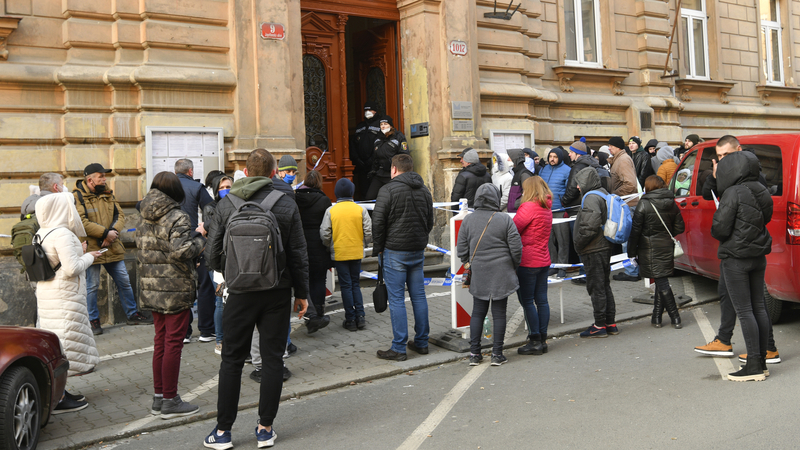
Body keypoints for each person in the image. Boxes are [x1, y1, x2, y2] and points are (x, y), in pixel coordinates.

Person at [203, 148, 309, 449]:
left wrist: (235, 271)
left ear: (245, 172)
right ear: (274, 173)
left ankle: (223, 433)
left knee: (232, 361)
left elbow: (212, 256)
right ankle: (265, 429)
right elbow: (299, 252)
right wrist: (301, 294)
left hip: (239, 294)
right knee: (273, 359)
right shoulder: (286, 203)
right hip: (277, 291)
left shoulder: (227, 204)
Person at [695, 135, 780, 365]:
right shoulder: (728, 175)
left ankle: (762, 353)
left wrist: (731, 221)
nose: (723, 161)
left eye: (727, 156)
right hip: (749, 246)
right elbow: (706, 194)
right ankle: (728, 340)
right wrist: (714, 177)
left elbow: (723, 226)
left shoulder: (749, 177)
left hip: (739, 246)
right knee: (734, 295)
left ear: (739, 150)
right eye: (719, 156)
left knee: (750, 306)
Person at [136, 172, 206, 418]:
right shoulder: (177, 215)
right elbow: (181, 251)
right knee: (173, 343)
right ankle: (170, 400)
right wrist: (201, 239)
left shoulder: (144, 213)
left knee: (161, 341)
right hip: (175, 288)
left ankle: (159, 398)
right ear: (177, 191)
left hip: (152, 286)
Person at [35, 192, 102, 414]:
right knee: (64, 344)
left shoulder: (42, 232)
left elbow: (56, 260)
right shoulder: (62, 233)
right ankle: (59, 398)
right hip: (64, 296)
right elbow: (72, 268)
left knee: (55, 343)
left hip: (48, 292)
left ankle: (58, 393)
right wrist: (90, 256)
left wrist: (79, 252)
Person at [710, 148, 773, 381]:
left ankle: (754, 365)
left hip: (736, 257)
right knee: (758, 308)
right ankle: (762, 362)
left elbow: (720, 228)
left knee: (745, 311)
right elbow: (765, 218)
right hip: (758, 255)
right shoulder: (762, 190)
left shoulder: (733, 192)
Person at [74, 163, 151, 335]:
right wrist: (104, 234)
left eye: (104, 176)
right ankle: (93, 320)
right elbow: (82, 223)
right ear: (90, 179)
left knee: (124, 281)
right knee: (92, 286)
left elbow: (120, 215)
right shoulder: (77, 197)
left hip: (112, 246)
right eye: (100, 176)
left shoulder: (108, 193)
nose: (104, 179)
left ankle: (132, 315)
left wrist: (113, 233)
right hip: (92, 250)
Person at [372, 154, 433, 361]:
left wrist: (378, 248)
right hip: (417, 250)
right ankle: (422, 342)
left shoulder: (387, 190)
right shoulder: (424, 190)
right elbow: (429, 220)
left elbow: (378, 223)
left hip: (394, 251)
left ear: (394, 169)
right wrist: (421, 240)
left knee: (397, 299)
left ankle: (399, 347)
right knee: (419, 296)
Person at [458, 184, 522, 366]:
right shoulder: (504, 219)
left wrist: (468, 261)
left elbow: (461, 249)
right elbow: (516, 248)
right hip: (502, 271)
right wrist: (513, 264)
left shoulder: (468, 220)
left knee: (478, 311)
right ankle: (497, 354)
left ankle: (474, 354)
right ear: (495, 198)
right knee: (499, 313)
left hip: (479, 271)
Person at [627, 175, 685, 329]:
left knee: (662, 282)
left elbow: (635, 232)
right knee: (660, 279)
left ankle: (675, 317)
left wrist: (631, 252)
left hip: (649, 248)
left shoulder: (644, 204)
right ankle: (656, 317)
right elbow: (680, 227)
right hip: (666, 246)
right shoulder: (671, 202)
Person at [321, 178, 372, 331]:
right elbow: (368, 231)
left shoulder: (331, 210)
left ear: (336, 194)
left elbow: (325, 233)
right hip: (356, 251)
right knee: (355, 283)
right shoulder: (360, 209)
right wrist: (364, 244)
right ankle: (361, 316)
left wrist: (329, 246)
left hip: (340, 252)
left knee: (345, 285)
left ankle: (350, 319)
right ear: (352, 192)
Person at [573, 167, 618, 338]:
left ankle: (599, 325)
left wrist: (579, 243)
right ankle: (610, 323)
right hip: (603, 246)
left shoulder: (591, 197)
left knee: (596, 287)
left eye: (579, 183)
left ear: (586, 182)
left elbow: (590, 226)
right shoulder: (601, 193)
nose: (577, 187)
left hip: (594, 248)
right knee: (604, 285)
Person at [174, 159, 216, 343]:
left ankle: (184, 333)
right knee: (204, 285)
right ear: (190, 171)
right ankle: (206, 331)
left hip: (174, 242)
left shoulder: (166, 187)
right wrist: (205, 228)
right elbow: (211, 210)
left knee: (181, 286)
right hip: (195, 241)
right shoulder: (197, 187)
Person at [513, 177, 552, 355]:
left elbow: (513, 229)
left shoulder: (528, 206)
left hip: (527, 261)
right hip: (543, 258)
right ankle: (542, 339)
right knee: (542, 300)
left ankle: (534, 339)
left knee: (527, 301)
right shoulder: (546, 206)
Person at [295, 170, 333, 334]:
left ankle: (310, 316)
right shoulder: (324, 200)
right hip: (318, 245)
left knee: (306, 280)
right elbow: (327, 225)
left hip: (301, 244)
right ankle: (318, 312)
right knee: (318, 280)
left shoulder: (295, 198)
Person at [199, 174, 233, 355]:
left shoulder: (236, 203)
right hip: (218, 260)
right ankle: (220, 340)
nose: (225, 190)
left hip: (233, 259)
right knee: (220, 300)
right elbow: (210, 230)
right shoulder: (211, 208)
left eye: (228, 186)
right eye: (221, 188)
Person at [607, 137, 641, 282]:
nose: (609, 148)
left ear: (617, 147)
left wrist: (615, 196)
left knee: (627, 240)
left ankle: (632, 271)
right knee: (626, 240)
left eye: (611, 146)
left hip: (628, 205)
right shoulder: (619, 159)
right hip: (625, 204)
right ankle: (631, 269)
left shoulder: (623, 160)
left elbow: (630, 184)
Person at [539, 147, 570, 277]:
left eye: (555, 157)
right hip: (546, 210)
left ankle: (562, 267)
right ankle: (553, 264)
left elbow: (569, 190)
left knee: (563, 240)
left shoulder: (567, 170)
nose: (552, 159)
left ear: (560, 158)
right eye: (550, 156)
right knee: (548, 240)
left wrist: (563, 203)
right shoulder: (543, 170)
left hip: (559, 210)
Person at [365, 116, 409, 200]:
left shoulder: (399, 137)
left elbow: (404, 155)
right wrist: (373, 170)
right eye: (381, 124)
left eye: (385, 124)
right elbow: (374, 157)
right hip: (379, 174)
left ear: (391, 126)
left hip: (393, 174)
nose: (383, 126)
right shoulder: (378, 139)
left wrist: (392, 164)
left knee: (394, 198)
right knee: (369, 197)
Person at [351, 102, 383, 198]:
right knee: (364, 191)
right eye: (365, 110)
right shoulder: (360, 126)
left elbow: (381, 143)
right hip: (362, 166)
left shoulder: (380, 125)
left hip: (375, 165)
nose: (367, 112)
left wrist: (372, 159)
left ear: (375, 111)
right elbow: (353, 143)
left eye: (370, 110)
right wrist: (356, 159)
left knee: (375, 192)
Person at [506, 148, 535, 212]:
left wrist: (515, 204)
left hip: (520, 212)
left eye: (510, 157)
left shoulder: (524, 174)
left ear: (515, 159)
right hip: (514, 212)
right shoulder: (516, 173)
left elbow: (529, 195)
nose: (508, 159)